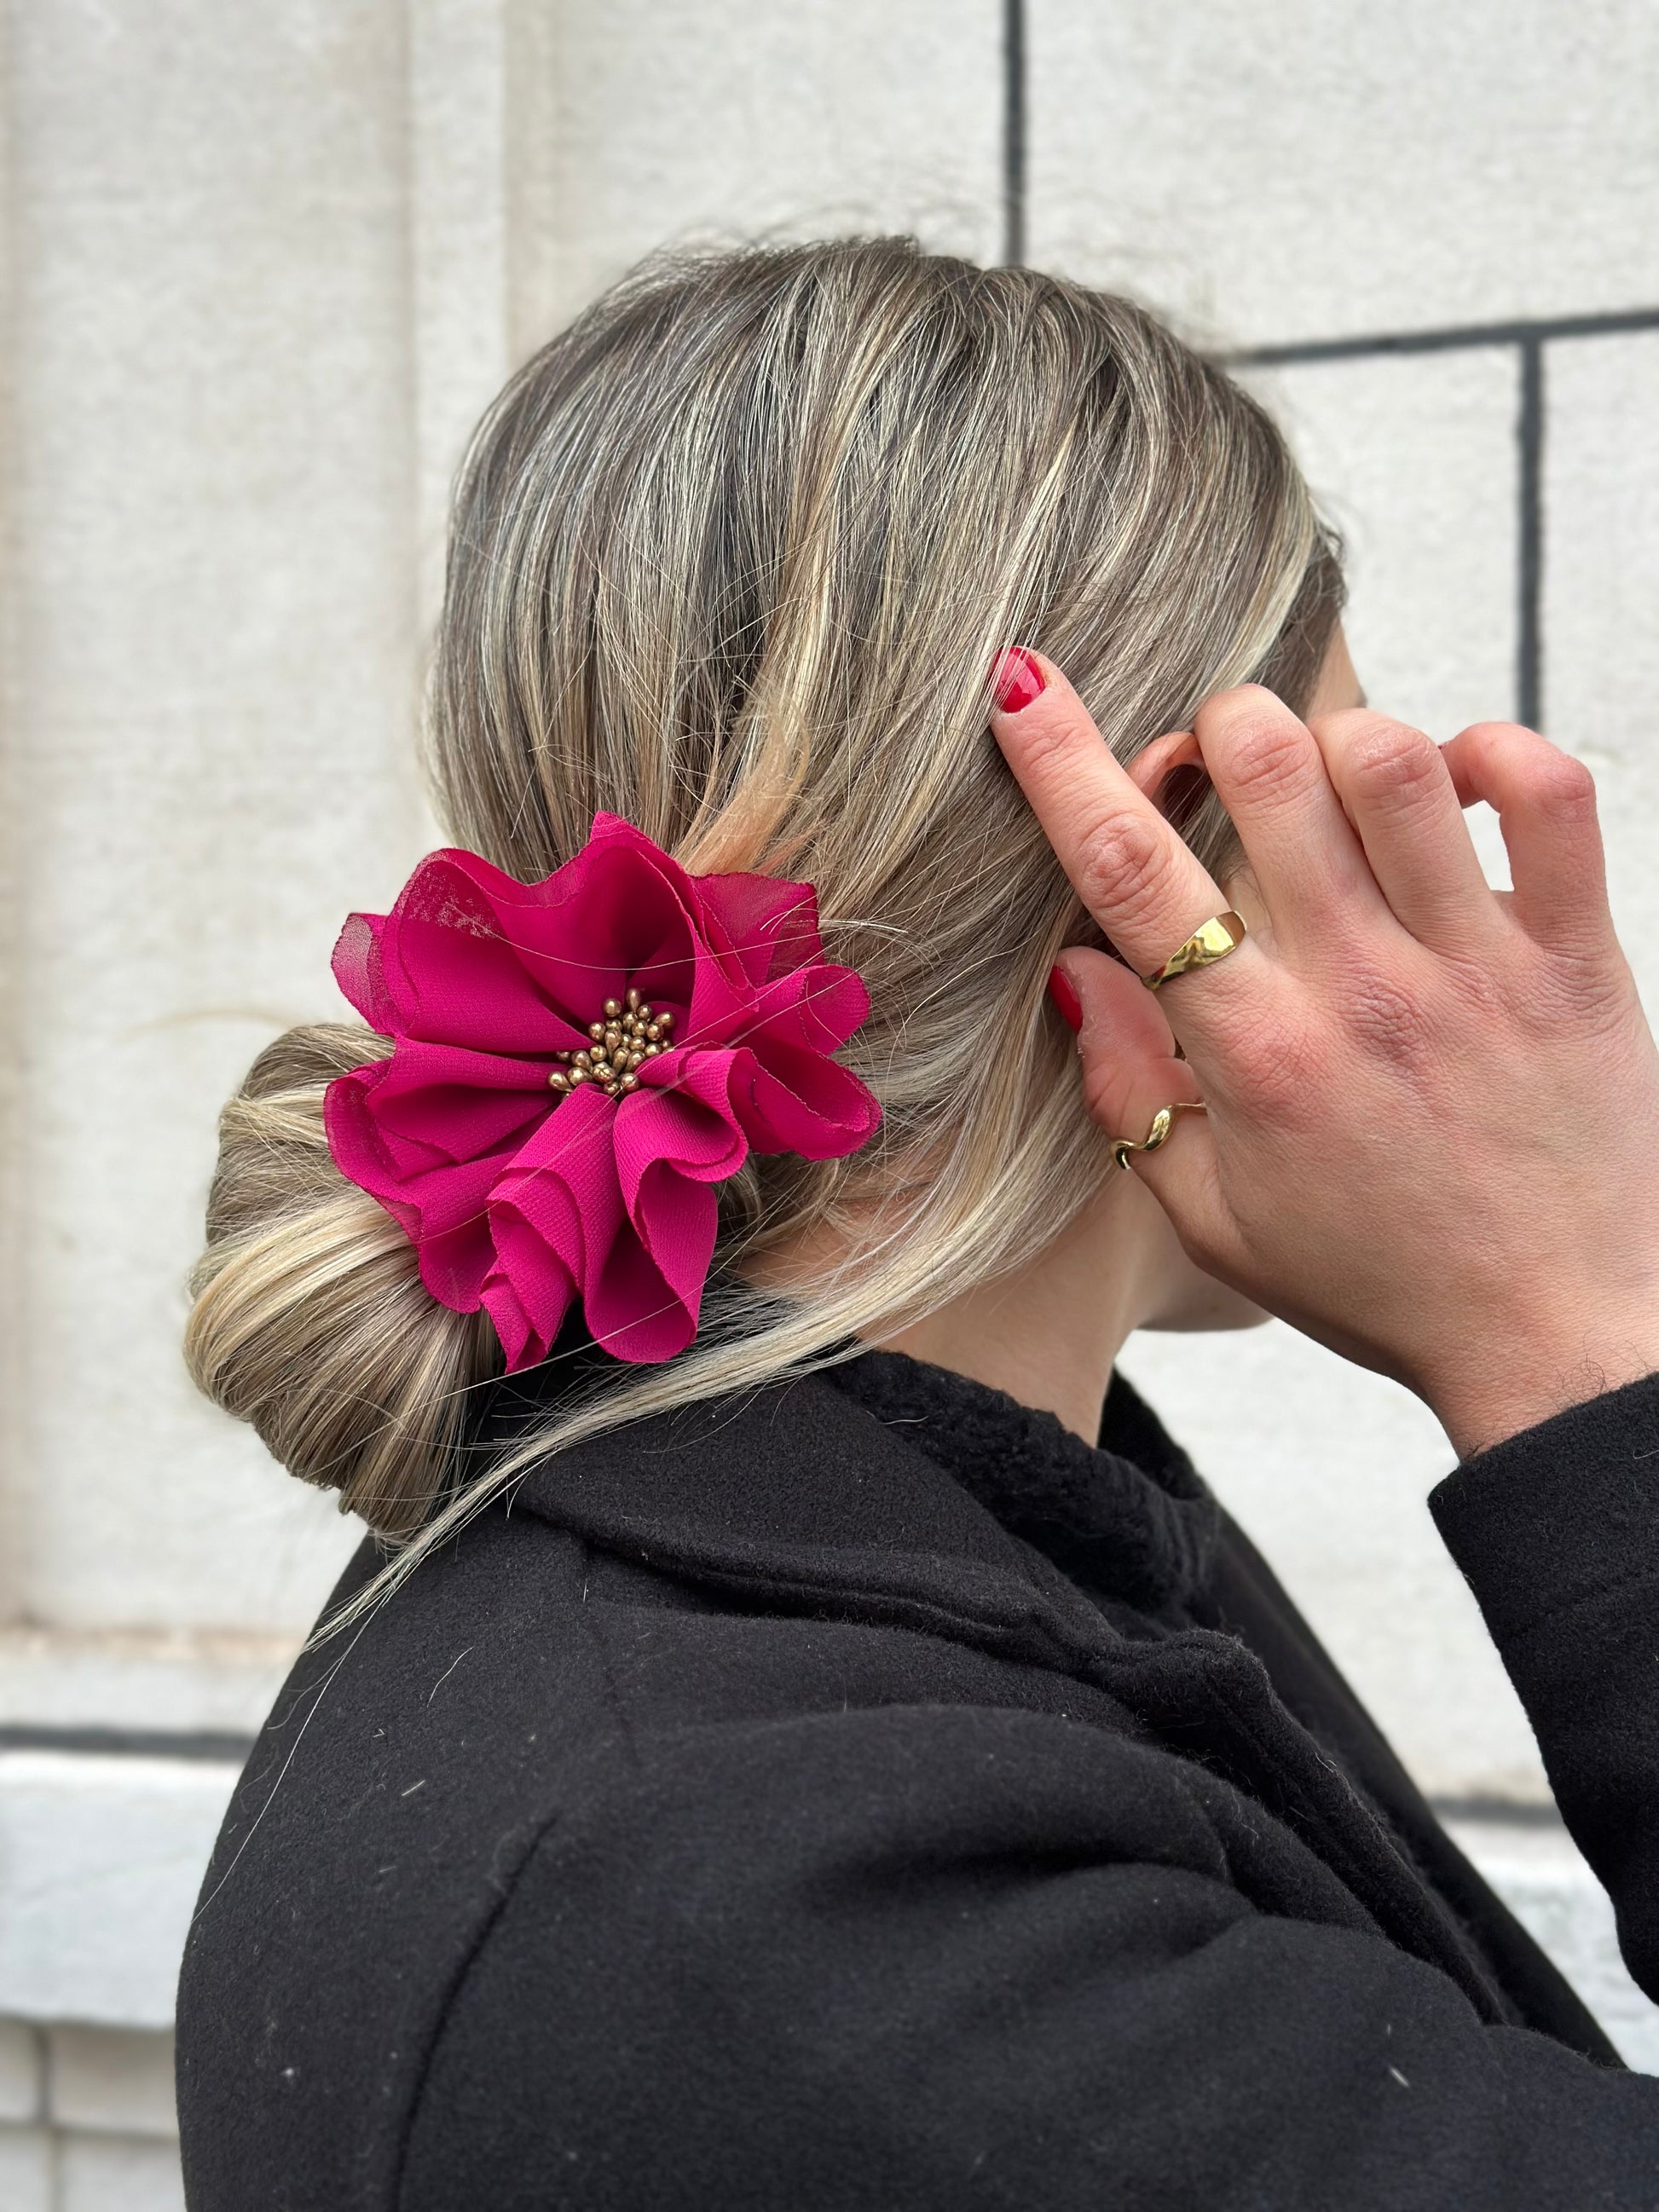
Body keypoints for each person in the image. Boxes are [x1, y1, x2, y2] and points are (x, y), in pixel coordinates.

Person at [174, 237, 1659, 2209]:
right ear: (1132, 893)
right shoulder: (802, 1916)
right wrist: (1586, 1337)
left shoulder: (851, 1570)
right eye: (1344, 819)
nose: (1424, 933)